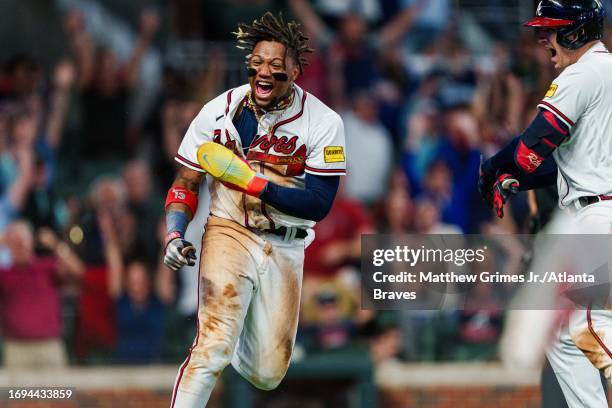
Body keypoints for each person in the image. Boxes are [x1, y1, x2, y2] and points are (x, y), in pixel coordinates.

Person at [162, 12, 346, 407]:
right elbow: (186, 181)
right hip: (230, 229)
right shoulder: (218, 111)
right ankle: (222, 339)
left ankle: (236, 334)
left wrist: (254, 183)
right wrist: (175, 231)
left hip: (287, 243)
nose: (264, 72)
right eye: (257, 62)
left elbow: (320, 202)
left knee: (267, 373)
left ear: (295, 72)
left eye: (276, 66)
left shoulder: (324, 122)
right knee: (211, 346)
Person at [478, 1, 611, 406]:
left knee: (588, 327)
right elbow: (573, 166)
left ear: (576, 32)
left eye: (551, 30)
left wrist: (493, 168)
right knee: (562, 337)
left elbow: (529, 148)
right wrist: (514, 179)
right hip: (596, 204)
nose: (543, 39)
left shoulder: (584, 72)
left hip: (598, 218)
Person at [0, 221, 83, 367]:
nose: (21, 246)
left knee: (57, 390)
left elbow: (78, 271)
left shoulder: (47, 267)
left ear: (32, 242)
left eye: (23, 241)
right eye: (15, 242)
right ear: (8, 245)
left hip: (49, 346)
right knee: (15, 391)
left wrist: (56, 245)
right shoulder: (4, 275)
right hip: (16, 349)